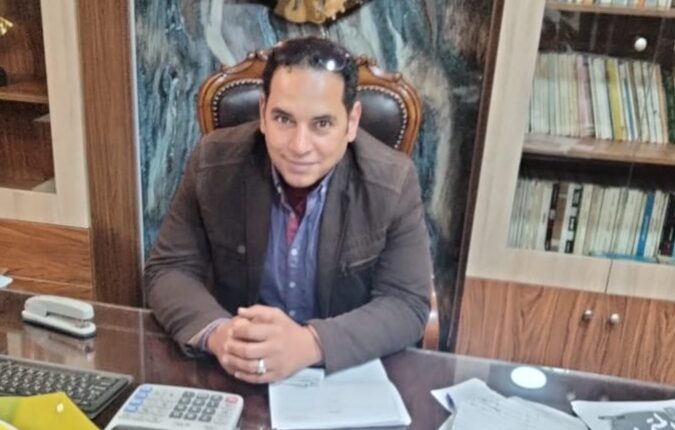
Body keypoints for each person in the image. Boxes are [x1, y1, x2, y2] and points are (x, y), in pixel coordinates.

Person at [144, 36, 432, 384]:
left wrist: (311, 343)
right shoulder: (212, 163)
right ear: (263, 113)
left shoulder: (393, 180)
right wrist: (221, 335)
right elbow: (168, 269)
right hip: (237, 369)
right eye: (283, 119)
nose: (299, 146)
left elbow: (406, 302)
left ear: (352, 122)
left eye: (322, 124)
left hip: (338, 376)